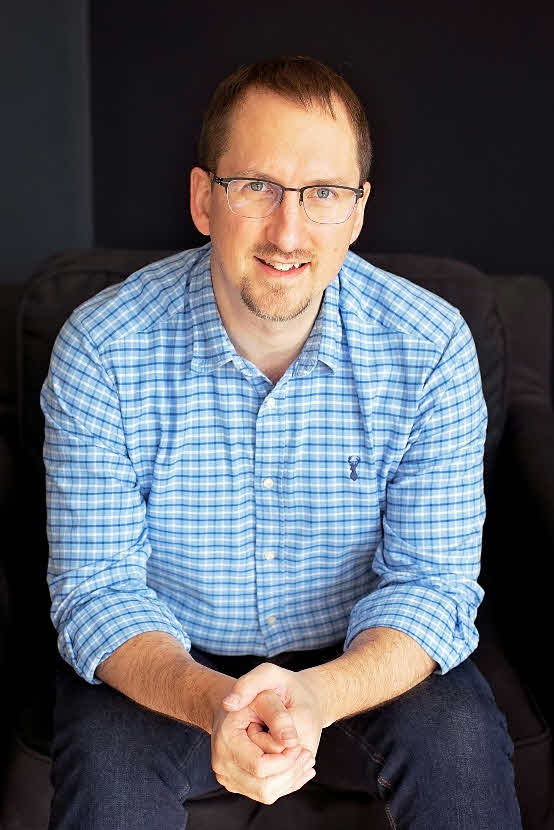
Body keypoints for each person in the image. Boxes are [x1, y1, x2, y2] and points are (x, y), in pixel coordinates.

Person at [41, 56, 522, 829]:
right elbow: (97, 591)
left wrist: (318, 694)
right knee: (108, 784)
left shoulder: (429, 345)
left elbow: (432, 584)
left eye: (323, 193)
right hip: (169, 657)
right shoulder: (102, 348)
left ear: (359, 210)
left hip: (366, 651)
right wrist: (213, 700)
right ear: (204, 198)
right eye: (256, 186)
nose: (288, 231)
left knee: (458, 739)